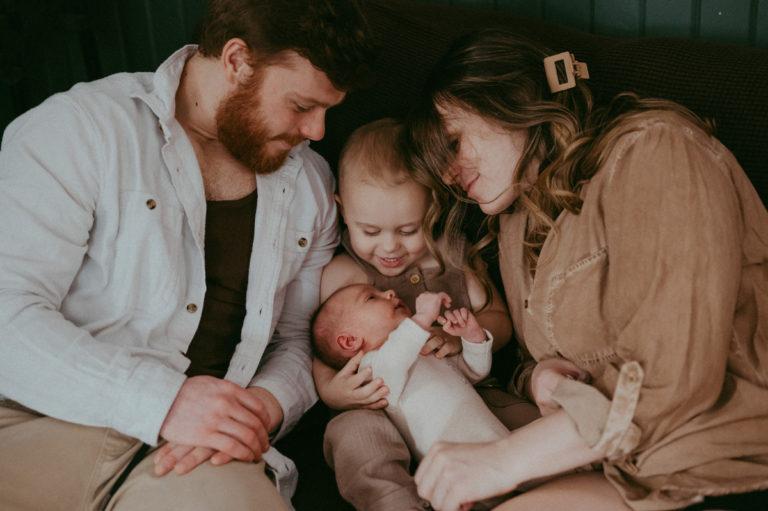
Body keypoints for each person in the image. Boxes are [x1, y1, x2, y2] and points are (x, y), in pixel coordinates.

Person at [0, 1, 376, 510]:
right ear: (238, 61)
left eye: (328, 110)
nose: (317, 132)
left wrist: (262, 408)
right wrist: (163, 401)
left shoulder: (310, 184)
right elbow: (7, 318)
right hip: (38, 422)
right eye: (302, 106)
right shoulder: (80, 130)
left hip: (194, 457)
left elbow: (295, 339)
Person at [401, 29, 768, 511]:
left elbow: (671, 378)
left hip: (722, 460)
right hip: (624, 469)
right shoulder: (515, 221)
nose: (449, 175)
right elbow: (535, 363)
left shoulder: (655, 149)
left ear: (513, 99)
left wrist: (503, 461)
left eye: (453, 141)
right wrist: (539, 379)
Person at [313, 118, 540, 511]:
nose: (389, 247)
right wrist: (331, 390)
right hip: (377, 407)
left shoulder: (451, 257)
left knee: (532, 423)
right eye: (369, 231)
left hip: (467, 394)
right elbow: (320, 346)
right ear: (342, 210)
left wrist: (460, 339)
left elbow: (498, 317)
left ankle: (554, 489)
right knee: (352, 435)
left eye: (407, 229)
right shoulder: (344, 274)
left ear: (433, 207)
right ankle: (394, 503)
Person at [313, 284, 508, 459]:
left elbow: (472, 374)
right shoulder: (371, 369)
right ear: (350, 341)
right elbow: (396, 356)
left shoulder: (422, 345)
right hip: (457, 462)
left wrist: (473, 338)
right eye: (371, 297)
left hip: (499, 441)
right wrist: (422, 316)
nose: (390, 292)